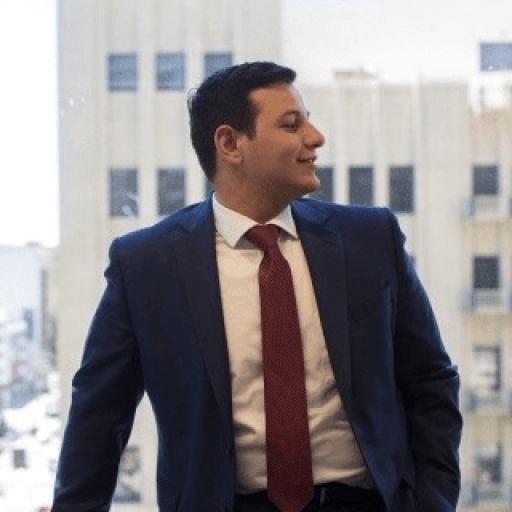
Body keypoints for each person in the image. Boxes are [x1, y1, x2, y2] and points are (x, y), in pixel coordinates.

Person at [51, 61, 462, 512]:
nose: (315, 137)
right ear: (230, 144)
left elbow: (430, 381)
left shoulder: (370, 239)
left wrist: (433, 502)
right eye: (291, 124)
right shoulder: (146, 265)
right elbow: (98, 417)